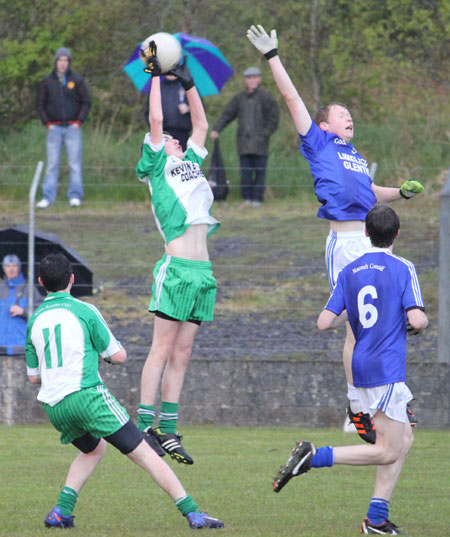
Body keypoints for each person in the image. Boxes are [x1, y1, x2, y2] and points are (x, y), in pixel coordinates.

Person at [246, 24, 424, 436]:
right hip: (345, 241)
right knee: (356, 325)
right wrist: (273, 56)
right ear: (323, 125)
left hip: (373, 240)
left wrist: (400, 191)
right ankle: (356, 405)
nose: (349, 118)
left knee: (393, 318)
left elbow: (370, 193)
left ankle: (394, 396)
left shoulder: (355, 155)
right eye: (341, 113)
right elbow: (291, 97)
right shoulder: (318, 143)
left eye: (350, 114)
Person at [25, 253, 223, 530]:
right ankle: (193, 513)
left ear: (40, 282)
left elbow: (34, 378)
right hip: (87, 397)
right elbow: (119, 356)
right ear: (72, 279)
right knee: (146, 454)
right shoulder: (85, 310)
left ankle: (61, 512)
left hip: (55, 406)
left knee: (93, 450)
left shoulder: (34, 320)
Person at [272, 205, 428, 535]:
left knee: (405, 439)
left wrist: (354, 314)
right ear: (397, 234)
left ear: (367, 234)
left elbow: (324, 322)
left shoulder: (351, 269)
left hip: (359, 366)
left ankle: (377, 518)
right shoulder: (403, 267)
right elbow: (416, 319)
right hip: (386, 368)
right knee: (388, 450)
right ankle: (314, 457)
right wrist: (418, 322)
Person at [135, 42, 220, 465]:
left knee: (183, 354)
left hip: (203, 272)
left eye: (172, 136)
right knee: (161, 350)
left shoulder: (190, 160)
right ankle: (144, 426)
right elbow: (155, 118)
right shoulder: (156, 166)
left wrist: (189, 84)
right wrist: (155, 75)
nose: (171, 137)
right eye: (166, 137)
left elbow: (201, 125)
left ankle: (168, 430)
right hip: (177, 268)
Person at [210, 66, 279, 207]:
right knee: (245, 173)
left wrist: (264, 134)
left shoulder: (267, 98)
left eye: (254, 77)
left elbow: (274, 119)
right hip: (243, 143)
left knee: (259, 172)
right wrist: (217, 129)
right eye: (249, 78)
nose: (252, 80)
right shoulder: (239, 99)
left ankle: (257, 200)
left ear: (259, 79)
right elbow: (227, 115)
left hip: (261, 143)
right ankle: (247, 199)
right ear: (246, 80)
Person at [37, 47, 91, 209]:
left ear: (69, 62)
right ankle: (48, 197)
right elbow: (40, 104)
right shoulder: (48, 81)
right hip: (54, 128)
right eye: (60, 60)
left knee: (74, 163)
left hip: (72, 128)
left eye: (65, 60)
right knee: (52, 163)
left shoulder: (77, 80)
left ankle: (75, 195)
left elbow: (86, 102)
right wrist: (47, 123)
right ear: (56, 62)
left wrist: (79, 121)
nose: (62, 64)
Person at [0, 254, 42, 355]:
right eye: (8, 266)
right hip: (2, 348)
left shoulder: (30, 289)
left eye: (14, 266)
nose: (11, 269)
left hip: (23, 349)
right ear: (4, 268)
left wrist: (23, 311)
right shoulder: (1, 289)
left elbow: (41, 314)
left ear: (19, 267)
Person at [145, 75, 193, 151]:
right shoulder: (158, 89)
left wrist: (188, 108)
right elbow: (149, 112)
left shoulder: (186, 87)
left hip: (183, 133)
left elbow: (200, 110)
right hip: (163, 134)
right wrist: (156, 129)